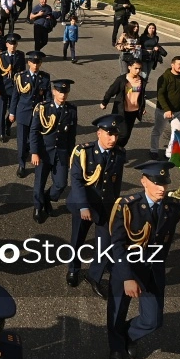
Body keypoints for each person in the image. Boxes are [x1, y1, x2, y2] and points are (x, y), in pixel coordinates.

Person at [106, 160, 180, 359]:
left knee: (154, 320)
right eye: (156, 183)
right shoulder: (127, 206)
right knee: (116, 312)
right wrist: (127, 277)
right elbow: (117, 245)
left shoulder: (173, 207)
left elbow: (163, 243)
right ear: (143, 181)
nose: (161, 188)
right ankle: (115, 347)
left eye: (165, 183)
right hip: (127, 269)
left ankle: (126, 335)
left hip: (153, 270)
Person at [67, 114, 125, 293]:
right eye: (109, 134)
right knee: (78, 239)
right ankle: (73, 269)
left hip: (106, 206)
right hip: (84, 204)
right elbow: (76, 181)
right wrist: (84, 206)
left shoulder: (119, 154)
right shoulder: (84, 152)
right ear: (98, 133)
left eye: (116, 135)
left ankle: (94, 275)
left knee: (105, 243)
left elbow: (116, 183)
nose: (113, 139)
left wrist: (116, 206)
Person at [29, 79, 78, 224]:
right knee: (40, 182)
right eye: (60, 92)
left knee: (61, 184)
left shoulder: (71, 110)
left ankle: (47, 198)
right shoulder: (43, 108)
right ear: (54, 92)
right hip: (44, 152)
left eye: (65, 92)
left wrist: (70, 154)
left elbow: (71, 135)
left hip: (61, 152)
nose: (63, 95)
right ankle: (38, 207)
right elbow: (34, 131)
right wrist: (34, 152)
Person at [11, 51, 52, 179]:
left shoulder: (45, 77)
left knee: (34, 139)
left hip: (38, 114)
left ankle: (34, 156)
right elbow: (15, 96)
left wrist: (49, 113)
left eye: (38, 62)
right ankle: (22, 164)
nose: (35, 65)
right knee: (22, 141)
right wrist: (12, 112)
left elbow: (48, 97)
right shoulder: (21, 77)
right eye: (33, 62)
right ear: (29, 63)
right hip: (23, 113)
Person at [100, 58, 146, 150]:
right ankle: (113, 150)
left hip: (133, 112)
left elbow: (141, 96)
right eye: (136, 68)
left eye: (140, 69)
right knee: (123, 134)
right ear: (129, 67)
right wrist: (104, 102)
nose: (138, 71)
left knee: (127, 134)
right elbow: (110, 91)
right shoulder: (122, 80)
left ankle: (116, 150)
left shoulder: (141, 81)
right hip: (121, 111)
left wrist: (142, 107)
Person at [0, 34, 25, 143]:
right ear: (6, 44)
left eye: (14, 44)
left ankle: (8, 124)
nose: (13, 46)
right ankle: (1, 132)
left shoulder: (20, 55)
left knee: (13, 110)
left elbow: (22, 73)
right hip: (3, 88)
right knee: (1, 112)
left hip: (15, 89)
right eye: (10, 44)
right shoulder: (1, 57)